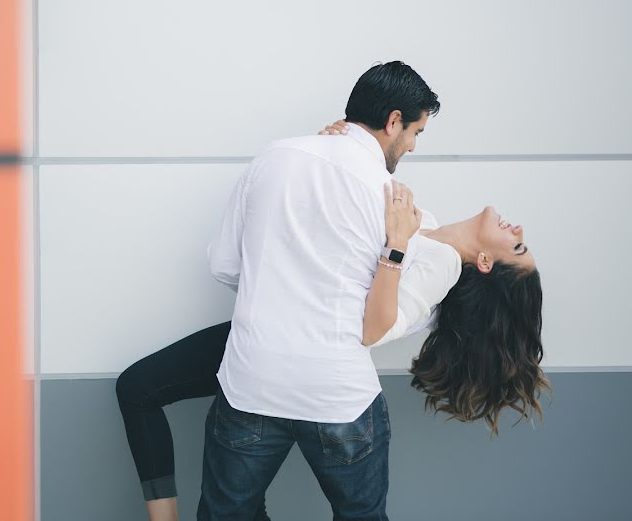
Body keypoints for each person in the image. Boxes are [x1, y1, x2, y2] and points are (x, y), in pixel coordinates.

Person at [116, 63, 546, 520]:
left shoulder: (284, 158)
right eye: (416, 131)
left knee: (228, 512)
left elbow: (232, 268)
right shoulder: (403, 205)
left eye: (516, 244)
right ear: (394, 121)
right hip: (333, 396)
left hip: (259, 378)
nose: (415, 144)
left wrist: (295, 277)